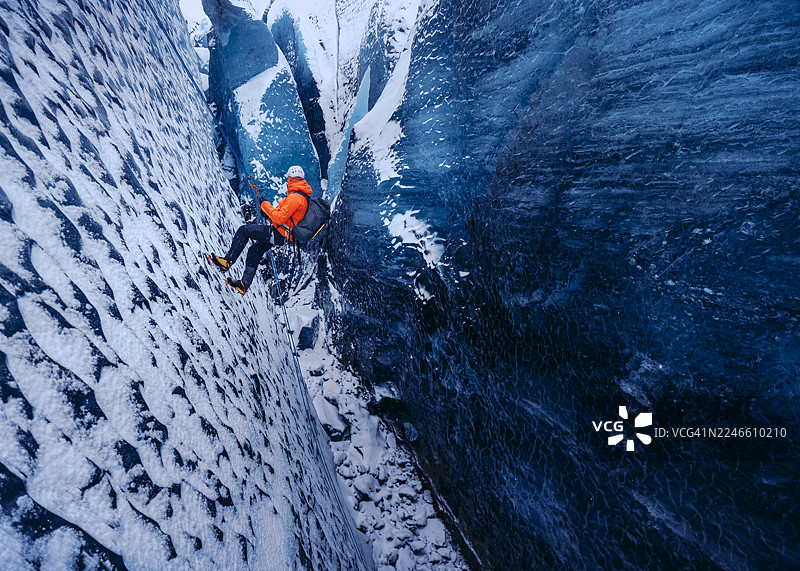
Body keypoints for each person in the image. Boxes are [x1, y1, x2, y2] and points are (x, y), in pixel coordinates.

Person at [207, 165, 312, 294]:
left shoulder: (295, 197)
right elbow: (286, 220)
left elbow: (279, 219)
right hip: (283, 235)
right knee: (254, 250)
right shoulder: (300, 196)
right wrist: (267, 215)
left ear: (290, 179)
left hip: (279, 234)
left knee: (244, 231)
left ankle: (226, 262)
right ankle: (244, 284)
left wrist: (265, 205)